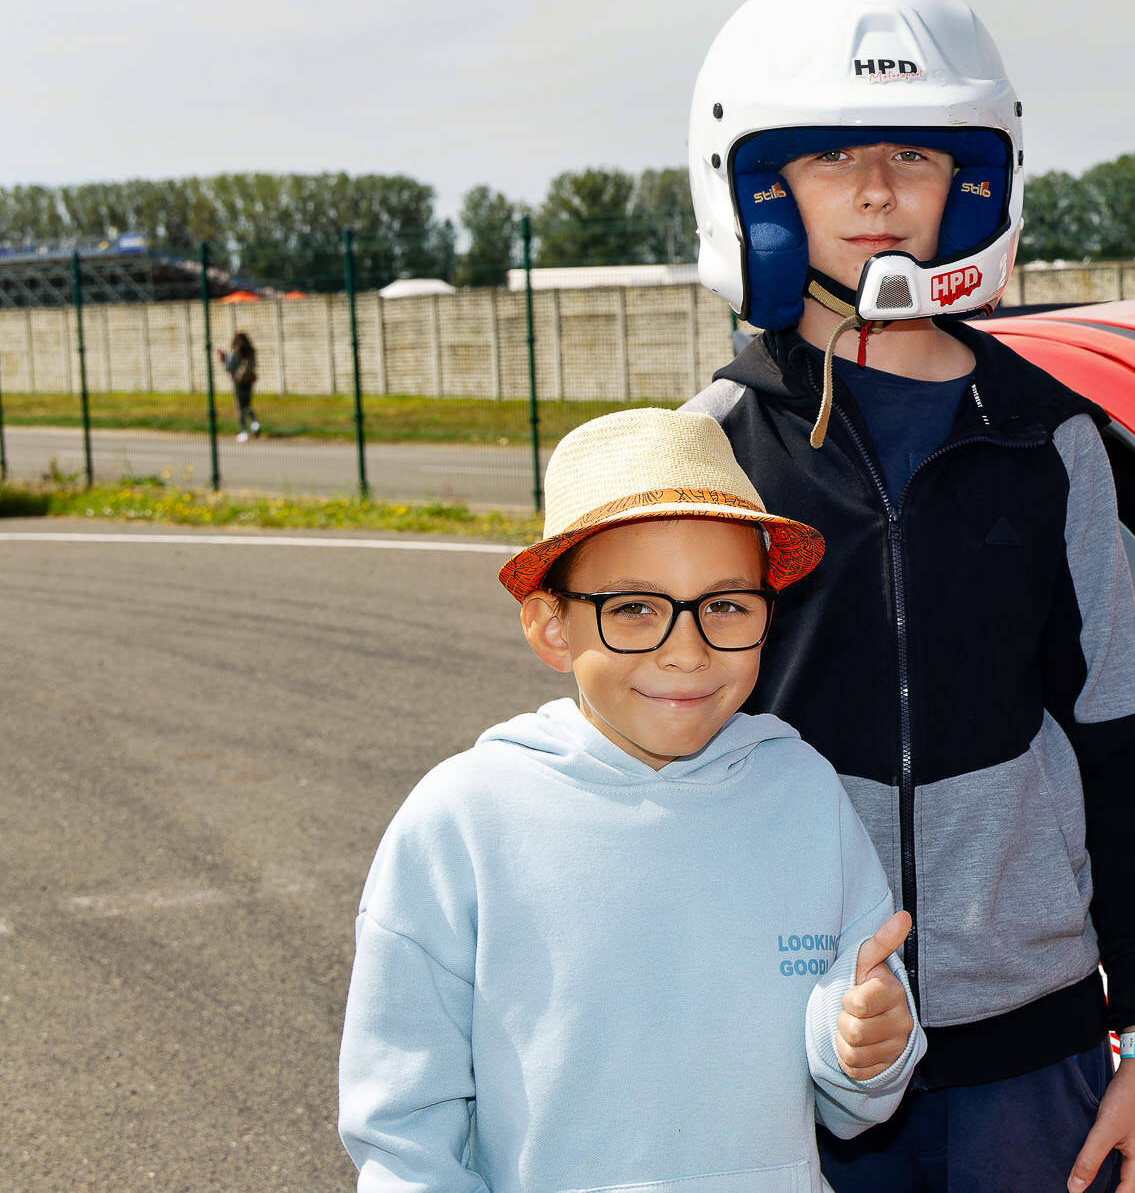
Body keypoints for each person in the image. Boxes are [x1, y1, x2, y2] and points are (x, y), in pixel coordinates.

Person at [684, 0, 1135, 1193]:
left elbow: (1114, 740)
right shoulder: (708, 451)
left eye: (913, 152)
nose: (874, 189)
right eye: (827, 156)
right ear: (757, 190)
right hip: (796, 1033)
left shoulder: (1050, 437)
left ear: (973, 182)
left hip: (1031, 1036)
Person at [337, 407, 925, 1192]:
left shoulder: (805, 792)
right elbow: (403, 1129)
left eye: (726, 605)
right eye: (635, 609)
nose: (687, 650)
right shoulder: (463, 819)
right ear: (551, 625)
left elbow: (854, 1079)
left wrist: (867, 1041)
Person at [217, 331, 260, 442]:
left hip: (239, 382)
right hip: (249, 381)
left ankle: (243, 431)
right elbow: (254, 365)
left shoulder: (235, 352)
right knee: (247, 404)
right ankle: (254, 424)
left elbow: (229, 367)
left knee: (240, 407)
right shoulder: (251, 352)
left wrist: (223, 359)